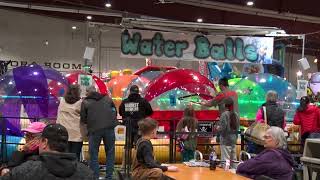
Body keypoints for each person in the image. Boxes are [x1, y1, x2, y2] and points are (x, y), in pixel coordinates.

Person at [0, 124, 94, 180]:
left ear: (44, 142)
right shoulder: (86, 172)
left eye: (31, 136)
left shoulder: (28, 168)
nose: (27, 139)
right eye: (26, 136)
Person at [80, 86, 118, 180]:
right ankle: (109, 177)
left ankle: (95, 176)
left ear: (88, 92)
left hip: (94, 130)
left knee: (93, 154)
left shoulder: (85, 102)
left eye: (86, 92)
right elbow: (114, 111)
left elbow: (83, 118)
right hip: (109, 129)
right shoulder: (107, 98)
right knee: (110, 152)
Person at [57, 84, 86, 160]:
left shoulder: (62, 101)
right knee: (75, 157)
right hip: (76, 134)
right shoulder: (80, 102)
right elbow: (84, 117)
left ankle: (64, 171)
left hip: (63, 133)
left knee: (64, 158)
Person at [216, 98, 239, 169]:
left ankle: (225, 175)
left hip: (225, 140)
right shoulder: (236, 114)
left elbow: (223, 128)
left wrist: (217, 127)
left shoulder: (224, 114)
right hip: (233, 140)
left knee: (225, 161)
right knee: (233, 160)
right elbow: (237, 127)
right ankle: (235, 175)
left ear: (225, 105)